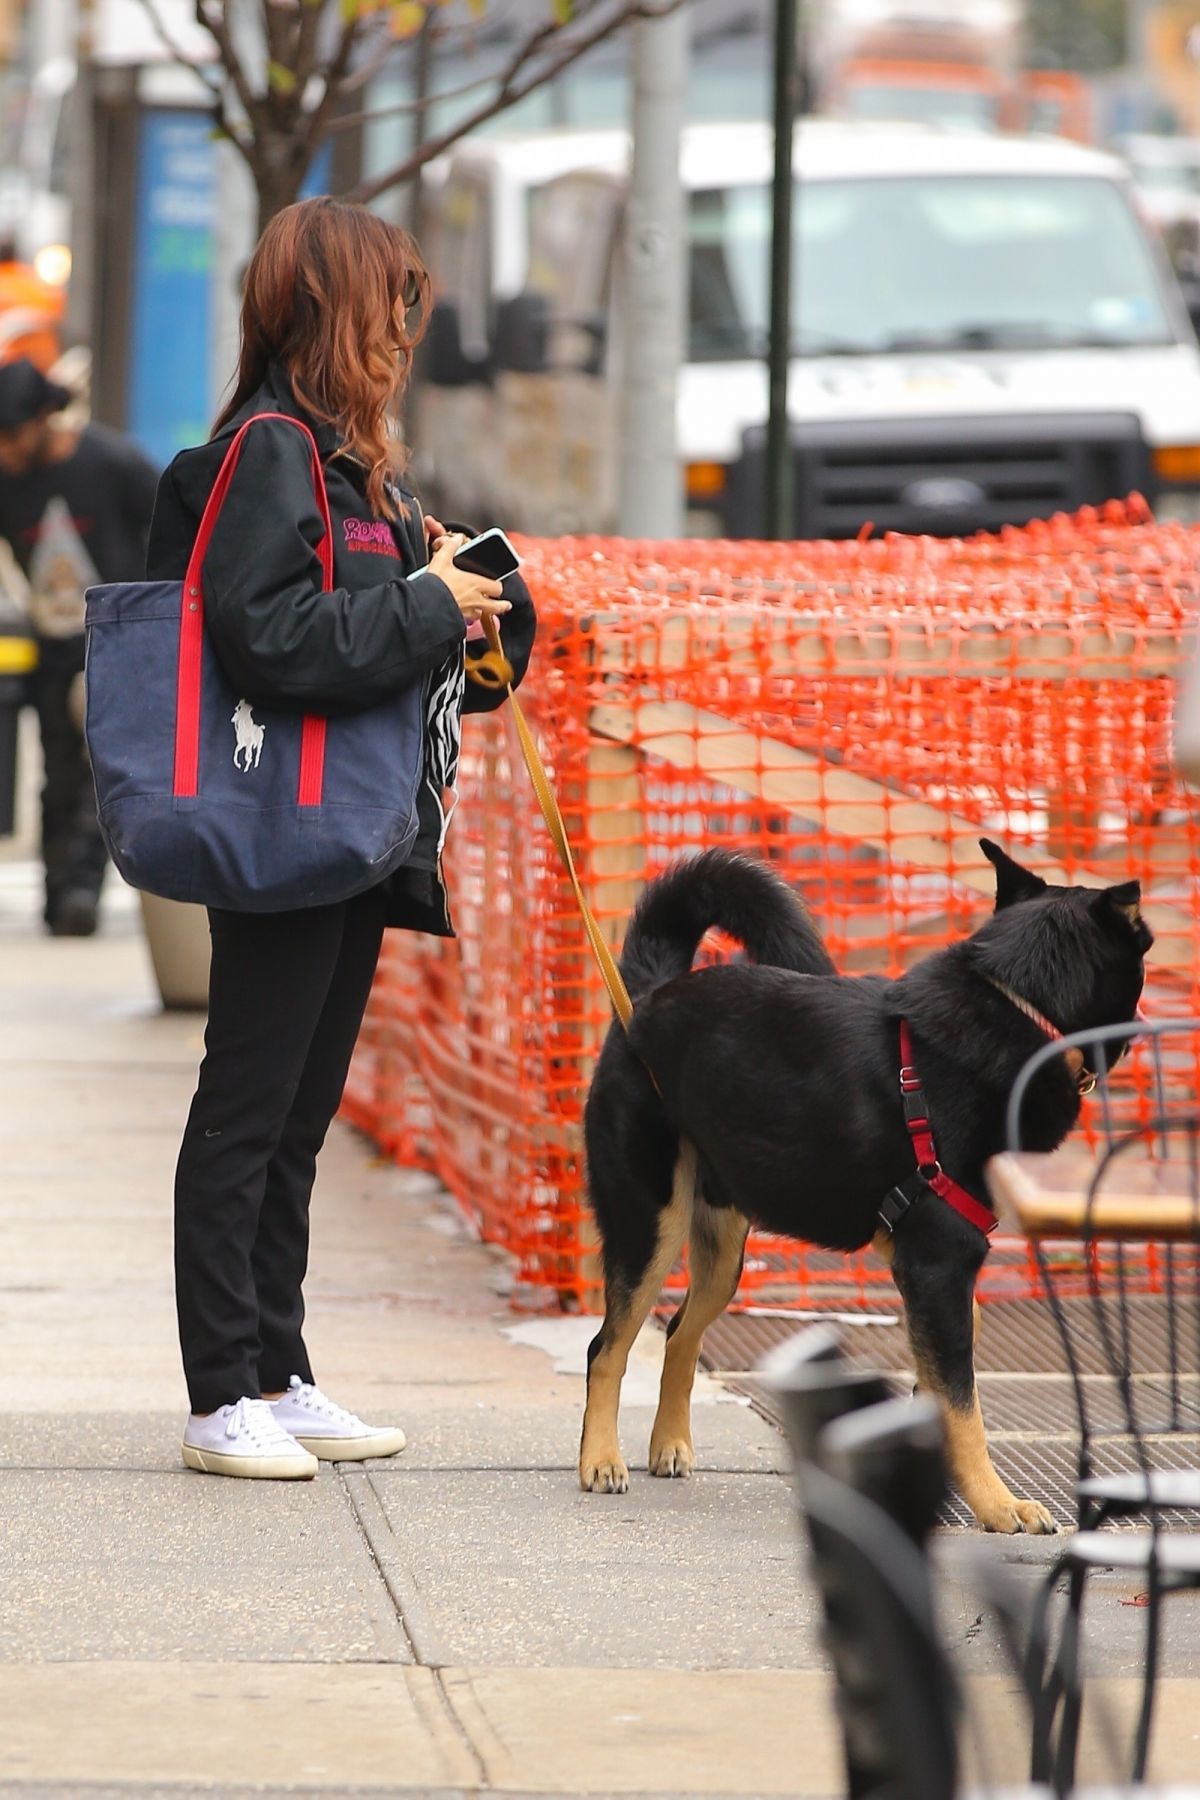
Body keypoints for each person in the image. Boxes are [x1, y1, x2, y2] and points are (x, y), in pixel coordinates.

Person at [145, 196, 535, 1480]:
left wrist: (465, 613)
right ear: (328, 308)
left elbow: (383, 642)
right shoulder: (272, 450)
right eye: (393, 303)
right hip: (284, 822)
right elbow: (273, 637)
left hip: (353, 827)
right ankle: (220, 1397)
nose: (406, 330)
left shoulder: (357, 466)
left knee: (300, 1113)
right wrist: (419, 603)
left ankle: (277, 1368)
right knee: (249, 1105)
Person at [0, 357, 158, 935]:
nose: (6, 450)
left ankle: (83, 891)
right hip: (53, 642)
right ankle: (56, 887)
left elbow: (175, 522)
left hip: (115, 645)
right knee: (57, 768)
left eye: (11, 435)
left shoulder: (110, 463)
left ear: (44, 418)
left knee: (101, 767)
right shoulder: (8, 480)